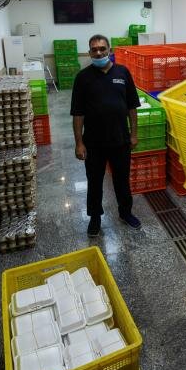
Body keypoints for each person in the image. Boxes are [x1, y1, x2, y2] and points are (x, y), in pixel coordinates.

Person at [70, 34, 142, 237]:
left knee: (122, 180)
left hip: (120, 140)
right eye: (94, 49)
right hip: (94, 142)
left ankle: (126, 213)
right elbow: (78, 113)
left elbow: (132, 106)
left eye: (102, 48)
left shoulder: (123, 72)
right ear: (89, 52)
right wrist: (79, 143)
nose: (99, 52)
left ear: (109, 50)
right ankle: (95, 218)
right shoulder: (83, 77)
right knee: (94, 182)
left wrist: (134, 134)